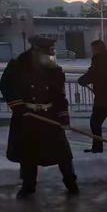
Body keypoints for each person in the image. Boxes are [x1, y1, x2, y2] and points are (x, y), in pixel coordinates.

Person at [0, 36, 78, 200]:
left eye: (52, 52)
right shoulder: (18, 66)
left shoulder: (53, 69)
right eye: (47, 52)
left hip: (50, 116)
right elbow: (7, 85)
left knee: (62, 153)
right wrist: (19, 106)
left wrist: (63, 116)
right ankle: (28, 186)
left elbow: (59, 95)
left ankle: (71, 183)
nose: (51, 56)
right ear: (35, 51)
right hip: (27, 116)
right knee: (28, 154)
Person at [77, 40, 107, 153]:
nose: (92, 51)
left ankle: (98, 148)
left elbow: (95, 73)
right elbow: (97, 72)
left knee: (95, 123)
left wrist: (84, 80)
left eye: (93, 49)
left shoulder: (100, 59)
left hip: (104, 100)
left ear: (98, 49)